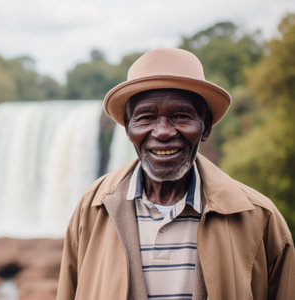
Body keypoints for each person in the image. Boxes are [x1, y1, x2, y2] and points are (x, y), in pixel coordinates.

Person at [56, 48, 295, 300]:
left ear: (205, 127)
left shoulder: (258, 217)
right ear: (128, 130)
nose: (162, 132)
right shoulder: (93, 209)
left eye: (180, 116)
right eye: (146, 117)